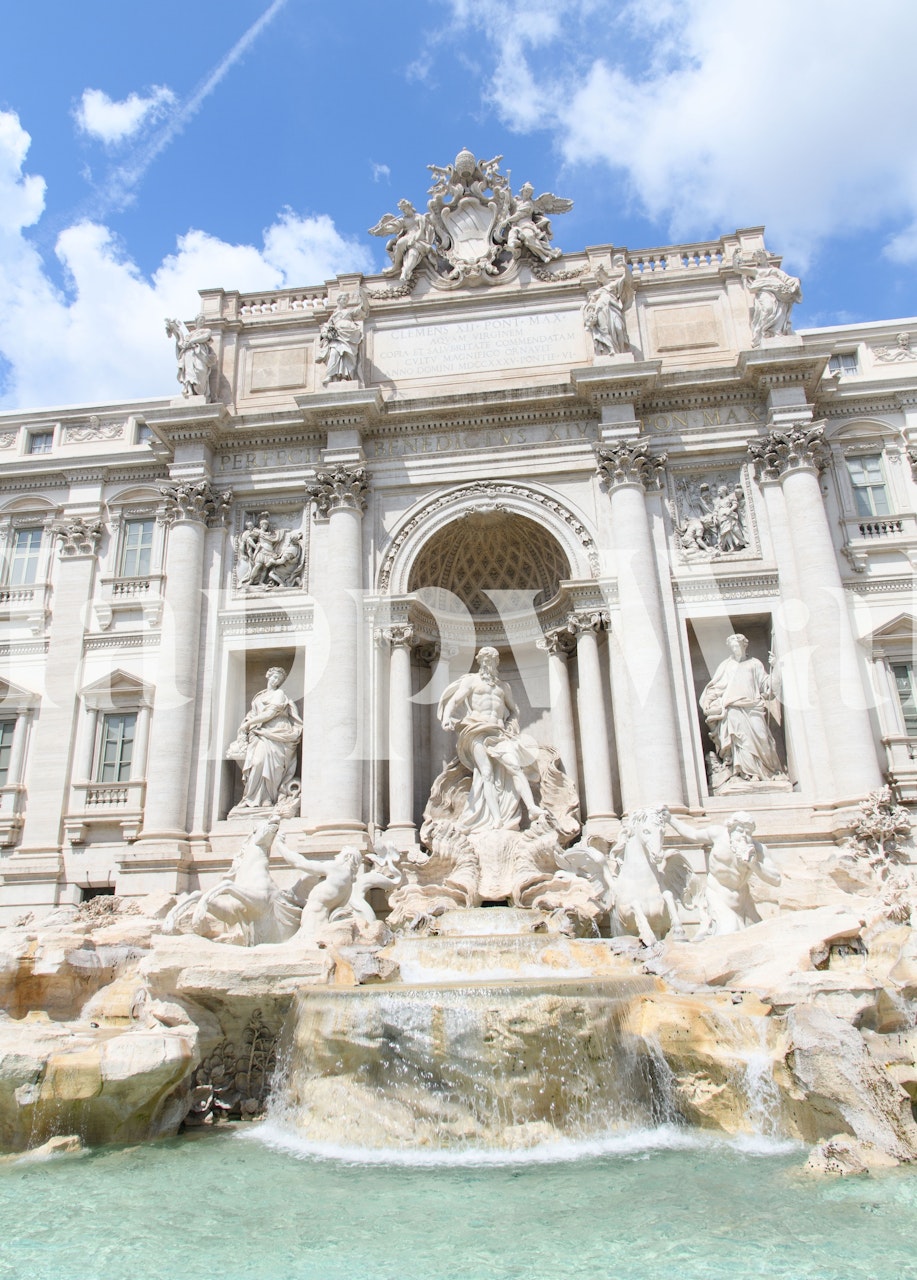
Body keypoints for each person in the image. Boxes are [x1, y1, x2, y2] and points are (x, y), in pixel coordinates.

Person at [437, 646, 543, 832]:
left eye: (492, 660)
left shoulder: (503, 687)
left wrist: (511, 724)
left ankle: (532, 808)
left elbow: (514, 710)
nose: (489, 663)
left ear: (497, 663)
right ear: (479, 661)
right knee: (486, 773)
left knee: (515, 767)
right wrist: (446, 717)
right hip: (476, 730)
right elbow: (455, 701)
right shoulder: (471, 681)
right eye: (486, 659)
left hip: (498, 732)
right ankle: (496, 820)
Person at [663, 809, 781, 935]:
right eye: (740, 831)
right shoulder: (718, 834)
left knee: (758, 935)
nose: (744, 836)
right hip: (718, 895)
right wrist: (671, 819)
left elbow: (776, 880)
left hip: (743, 899)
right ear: (730, 829)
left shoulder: (758, 849)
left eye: (748, 833)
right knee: (730, 931)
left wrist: (754, 865)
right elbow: (693, 834)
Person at [699, 634, 785, 784]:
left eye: (737, 645)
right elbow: (716, 686)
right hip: (732, 709)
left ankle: (767, 773)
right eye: (732, 646)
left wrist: (775, 667)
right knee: (741, 743)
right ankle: (747, 774)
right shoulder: (726, 665)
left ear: (744, 646)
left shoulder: (755, 664)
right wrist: (708, 700)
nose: (735, 649)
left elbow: (767, 687)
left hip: (753, 707)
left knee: (762, 737)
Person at [229, 667, 303, 810]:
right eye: (274, 677)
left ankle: (268, 798)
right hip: (259, 733)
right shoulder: (259, 696)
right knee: (257, 763)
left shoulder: (279, 694)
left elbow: (270, 712)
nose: (276, 681)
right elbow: (253, 713)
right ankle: (251, 798)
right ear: (268, 676)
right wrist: (247, 724)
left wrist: (250, 723)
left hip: (277, 731)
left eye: (279, 680)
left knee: (273, 766)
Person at [582, 256, 631, 355]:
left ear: (604, 274)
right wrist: (590, 318)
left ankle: (620, 351)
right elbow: (590, 306)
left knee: (619, 328)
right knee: (604, 331)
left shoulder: (614, 285)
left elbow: (627, 280)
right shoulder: (597, 292)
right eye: (597, 277)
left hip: (613, 309)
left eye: (600, 275)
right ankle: (611, 349)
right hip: (600, 310)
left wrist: (625, 267)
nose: (599, 278)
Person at [316, 292, 366, 384]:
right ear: (339, 300)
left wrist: (364, 298)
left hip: (350, 336)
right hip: (337, 337)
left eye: (346, 300)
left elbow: (361, 310)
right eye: (344, 299)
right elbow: (326, 327)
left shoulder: (349, 311)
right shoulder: (333, 315)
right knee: (334, 354)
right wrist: (325, 333)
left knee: (348, 355)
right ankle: (330, 376)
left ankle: (347, 376)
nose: (345, 302)